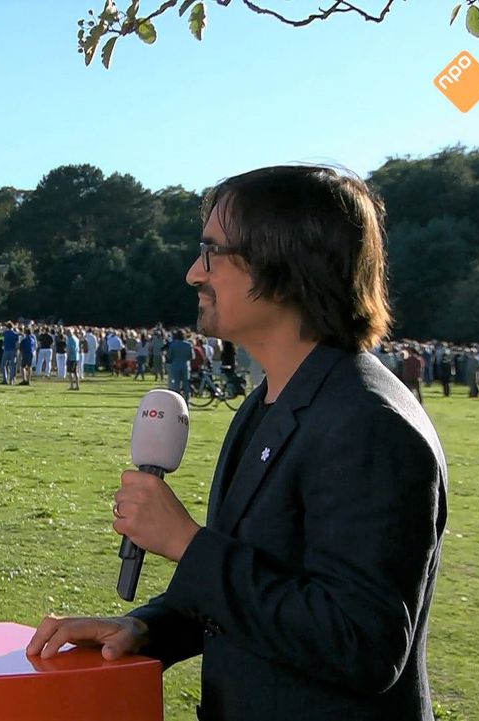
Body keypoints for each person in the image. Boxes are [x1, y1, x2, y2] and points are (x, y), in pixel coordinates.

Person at [29, 165, 448, 721]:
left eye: (211, 251)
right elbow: (262, 582)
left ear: (286, 264)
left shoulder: (368, 422)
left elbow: (361, 644)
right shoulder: (270, 400)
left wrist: (187, 544)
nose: (192, 273)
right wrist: (149, 627)